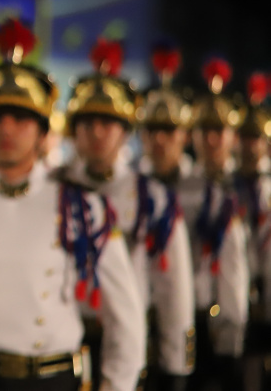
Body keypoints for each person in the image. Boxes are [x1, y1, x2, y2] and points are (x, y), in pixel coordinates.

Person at [0, 19, 146, 391]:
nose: (7, 129)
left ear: (43, 131)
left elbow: (124, 317)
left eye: (21, 118)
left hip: (56, 379)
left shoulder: (82, 207)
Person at [63, 38, 194, 390]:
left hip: (129, 345)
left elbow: (174, 290)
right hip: (63, 351)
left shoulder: (154, 199)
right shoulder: (54, 192)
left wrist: (176, 365)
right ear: (73, 131)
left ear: (125, 132)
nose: (96, 133)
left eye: (108, 123)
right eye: (86, 123)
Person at [177, 56, 250, 390]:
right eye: (203, 131)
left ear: (233, 136)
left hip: (245, 313)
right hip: (192, 309)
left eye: (219, 131)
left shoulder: (253, 188)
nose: (211, 140)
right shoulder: (177, 190)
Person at [233, 72, 271, 389]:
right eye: (244, 139)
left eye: (256, 139)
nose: (250, 146)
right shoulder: (224, 189)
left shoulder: (269, 188)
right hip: (235, 294)